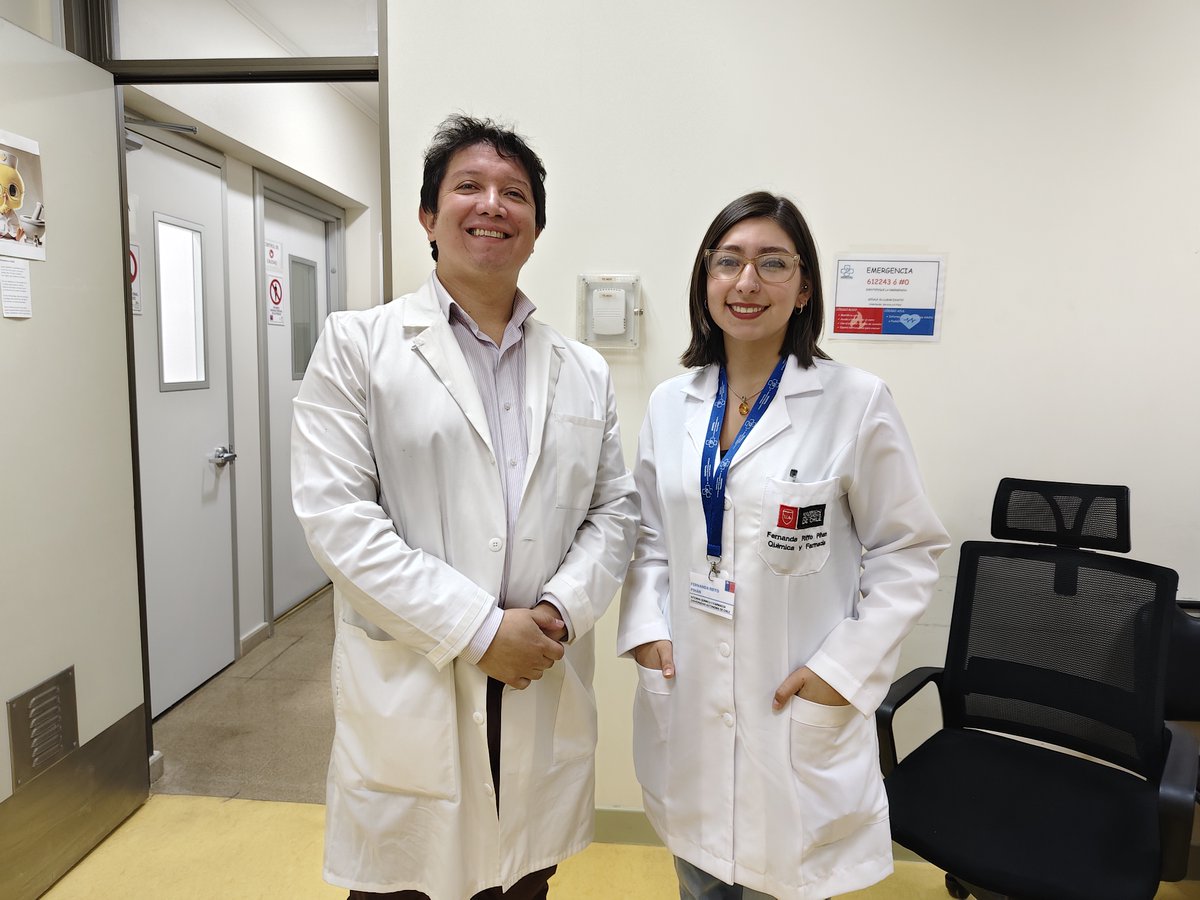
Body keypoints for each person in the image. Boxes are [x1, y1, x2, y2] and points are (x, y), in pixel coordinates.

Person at [292, 114, 639, 900]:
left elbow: (614, 510)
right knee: (403, 883)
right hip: (417, 679)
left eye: (514, 193)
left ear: (536, 228)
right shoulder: (358, 346)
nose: (492, 205)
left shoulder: (583, 370)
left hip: (537, 674)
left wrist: (557, 611)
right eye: (469, 187)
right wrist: (480, 630)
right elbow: (339, 522)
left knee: (522, 883)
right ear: (428, 215)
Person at [617, 192, 949, 900]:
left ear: (803, 289)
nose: (747, 282)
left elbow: (908, 549)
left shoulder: (855, 401)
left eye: (773, 263)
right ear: (705, 279)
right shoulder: (671, 404)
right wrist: (646, 631)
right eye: (729, 261)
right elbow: (648, 536)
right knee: (700, 882)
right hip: (689, 702)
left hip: (794, 707)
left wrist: (842, 671)